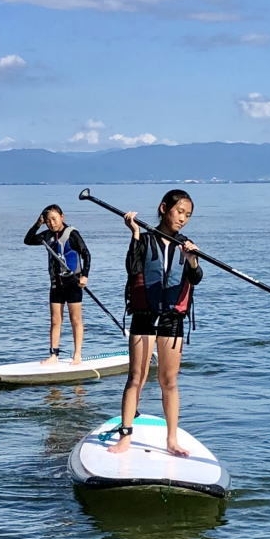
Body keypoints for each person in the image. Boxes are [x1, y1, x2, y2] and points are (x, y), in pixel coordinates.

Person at [111, 189, 203, 457]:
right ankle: (126, 435)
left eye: (188, 215)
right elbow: (132, 267)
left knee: (169, 380)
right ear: (164, 208)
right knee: (136, 378)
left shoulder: (186, 244)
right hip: (144, 315)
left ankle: (172, 439)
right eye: (179, 212)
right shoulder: (146, 238)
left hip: (172, 318)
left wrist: (192, 258)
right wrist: (134, 234)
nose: (183, 219)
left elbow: (195, 277)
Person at [24, 204, 93, 364]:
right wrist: (37, 224)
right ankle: (54, 355)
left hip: (73, 283)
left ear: (62, 217)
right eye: (48, 221)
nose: (51, 223)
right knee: (55, 320)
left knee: (75, 319)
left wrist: (85, 276)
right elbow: (27, 240)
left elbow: (86, 254)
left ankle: (77, 355)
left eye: (54, 219)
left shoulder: (72, 234)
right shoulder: (46, 236)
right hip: (56, 284)